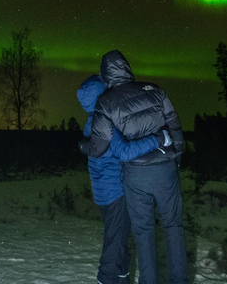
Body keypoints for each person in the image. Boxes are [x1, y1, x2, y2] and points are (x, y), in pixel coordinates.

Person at [80, 50, 189, 284]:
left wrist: (84, 146)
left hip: (134, 175)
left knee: (143, 232)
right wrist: (174, 158)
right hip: (165, 169)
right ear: (127, 68)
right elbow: (175, 127)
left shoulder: (106, 104)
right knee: (173, 227)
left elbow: (99, 148)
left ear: (106, 76)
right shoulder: (155, 90)